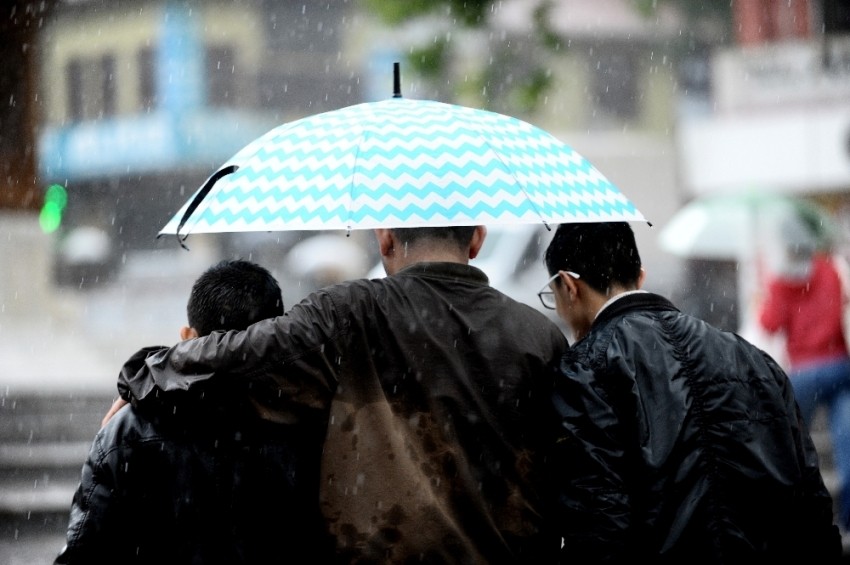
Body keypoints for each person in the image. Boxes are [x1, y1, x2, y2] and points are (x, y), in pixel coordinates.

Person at [103, 226, 569, 563]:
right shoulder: (539, 337)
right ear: (477, 239)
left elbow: (236, 358)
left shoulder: (349, 313)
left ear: (385, 240)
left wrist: (146, 374)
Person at [540, 221, 841, 564]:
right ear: (640, 277)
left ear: (567, 285)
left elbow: (598, 521)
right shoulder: (750, 358)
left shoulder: (586, 369)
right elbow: (810, 503)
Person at [55, 259, 332, 564]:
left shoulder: (130, 428)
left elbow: (85, 552)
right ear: (275, 337)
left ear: (187, 336)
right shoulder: (310, 421)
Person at [758, 240, 850, 533]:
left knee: (791, 443)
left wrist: (763, 298)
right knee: (846, 442)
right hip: (839, 367)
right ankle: (848, 517)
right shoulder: (830, 268)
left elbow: (769, 324)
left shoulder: (781, 279)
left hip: (804, 371)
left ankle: (798, 516)